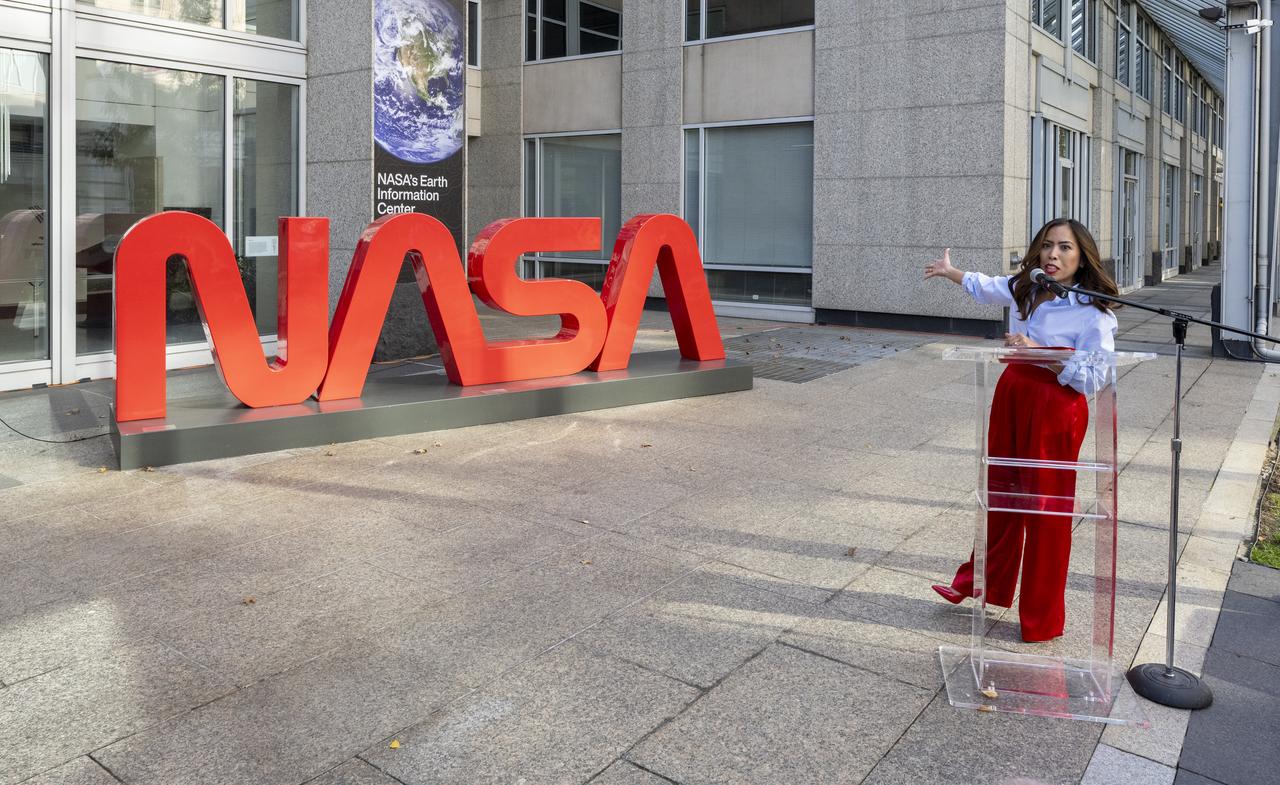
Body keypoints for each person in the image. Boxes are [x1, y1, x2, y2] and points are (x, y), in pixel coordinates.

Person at [922, 218, 1120, 642]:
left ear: (1082, 256)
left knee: (1046, 509)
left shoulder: (1093, 312)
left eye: (1065, 248)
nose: (1053, 255)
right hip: (1012, 395)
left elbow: (1092, 378)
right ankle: (983, 584)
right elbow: (986, 285)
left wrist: (1042, 353)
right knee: (1002, 492)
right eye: (1047, 246)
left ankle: (1042, 618)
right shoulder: (1025, 287)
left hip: (1055, 407)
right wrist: (951, 272)